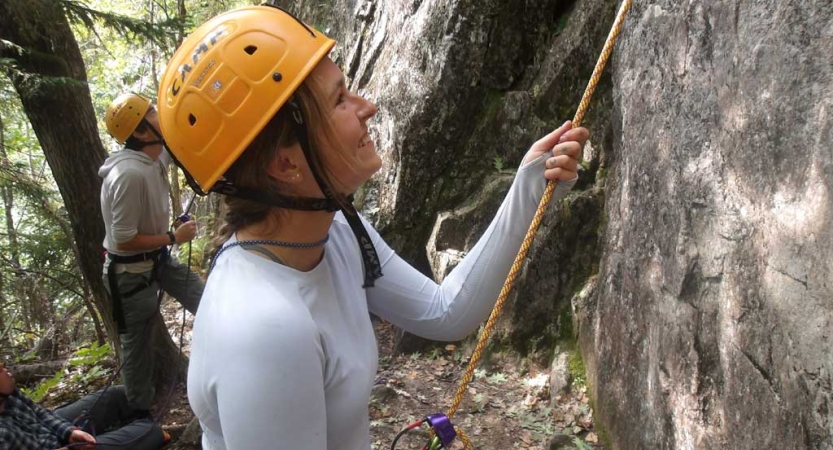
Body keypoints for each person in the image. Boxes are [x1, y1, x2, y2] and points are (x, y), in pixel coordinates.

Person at [157, 5, 588, 450]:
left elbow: (446, 312)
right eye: (340, 100)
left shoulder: (339, 233)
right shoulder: (265, 330)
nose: (369, 106)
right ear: (285, 163)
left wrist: (529, 185)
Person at [99, 93, 204, 412]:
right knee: (137, 351)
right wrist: (172, 236)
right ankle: (140, 419)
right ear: (143, 132)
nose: (160, 114)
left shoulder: (154, 156)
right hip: (129, 276)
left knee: (206, 298)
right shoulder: (129, 175)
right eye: (153, 113)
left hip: (157, 261)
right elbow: (123, 238)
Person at [0, 361, 168, 450]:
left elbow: (39, 413)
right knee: (152, 432)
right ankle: (142, 435)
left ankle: (131, 432)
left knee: (118, 395)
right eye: (0, 370)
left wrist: (69, 431)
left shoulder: (9, 392)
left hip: (48, 433)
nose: (7, 371)